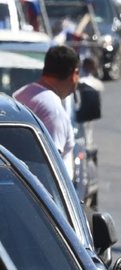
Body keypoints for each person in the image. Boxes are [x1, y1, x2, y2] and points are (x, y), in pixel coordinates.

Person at [14, 45, 79, 181]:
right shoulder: (54, 110)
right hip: (49, 198)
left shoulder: (21, 94)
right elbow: (50, 166)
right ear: (74, 75)